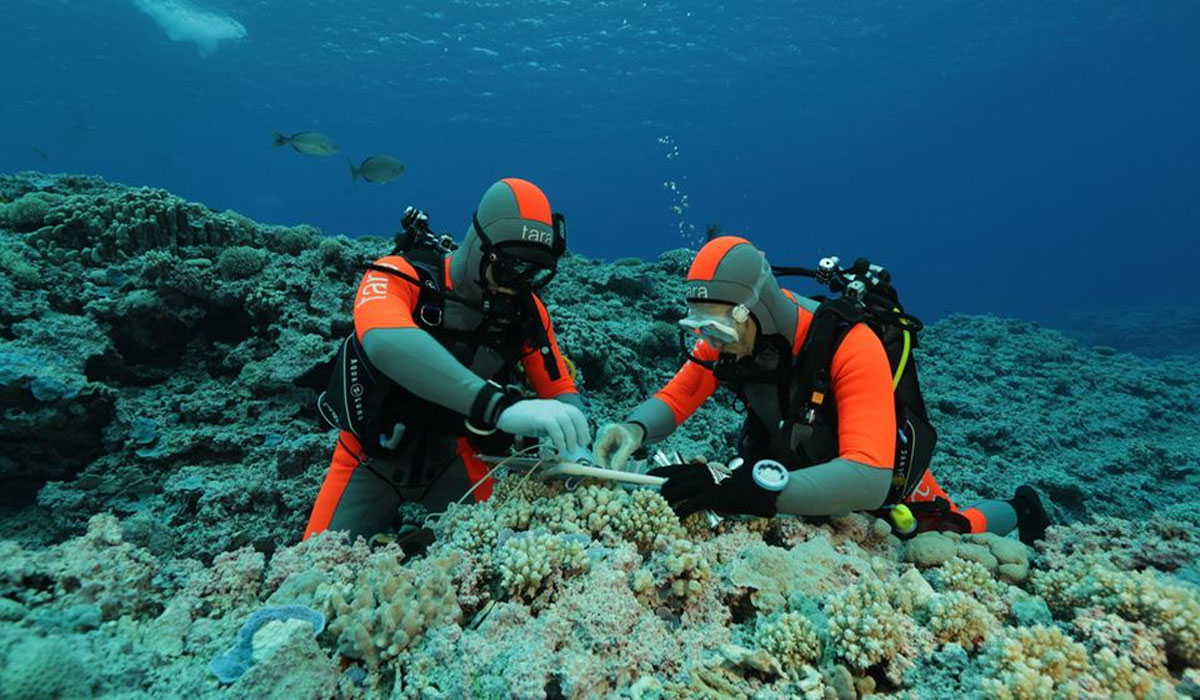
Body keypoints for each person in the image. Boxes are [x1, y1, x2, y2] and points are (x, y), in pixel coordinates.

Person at [594, 236, 1049, 544]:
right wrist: (633, 429)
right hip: (795, 462)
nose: (710, 343)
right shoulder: (729, 339)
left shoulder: (851, 345)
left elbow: (869, 478)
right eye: (699, 328)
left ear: (756, 310)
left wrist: (749, 491)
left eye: (716, 329)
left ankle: (1020, 510)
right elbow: (677, 398)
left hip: (878, 470)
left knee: (943, 533)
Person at [305, 178, 590, 541]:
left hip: (457, 459)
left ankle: (413, 538)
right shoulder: (400, 274)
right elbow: (384, 341)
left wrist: (581, 444)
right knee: (310, 572)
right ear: (478, 246)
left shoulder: (528, 313)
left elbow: (560, 387)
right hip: (367, 458)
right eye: (508, 269)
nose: (516, 286)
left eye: (534, 275)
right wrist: (496, 406)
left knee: (495, 563)